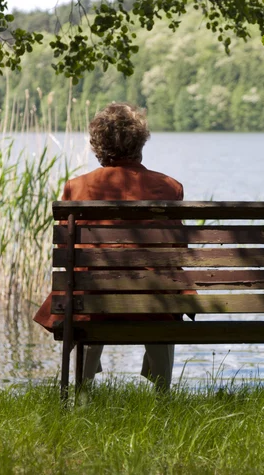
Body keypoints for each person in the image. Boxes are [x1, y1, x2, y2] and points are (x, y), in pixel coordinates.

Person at [33, 102, 194, 391]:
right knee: (165, 289)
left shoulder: (78, 188)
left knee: (85, 289)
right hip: (153, 305)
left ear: (99, 146)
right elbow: (176, 247)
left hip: (94, 303)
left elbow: (69, 253)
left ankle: (82, 394)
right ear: (140, 142)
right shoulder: (170, 187)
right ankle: (163, 395)